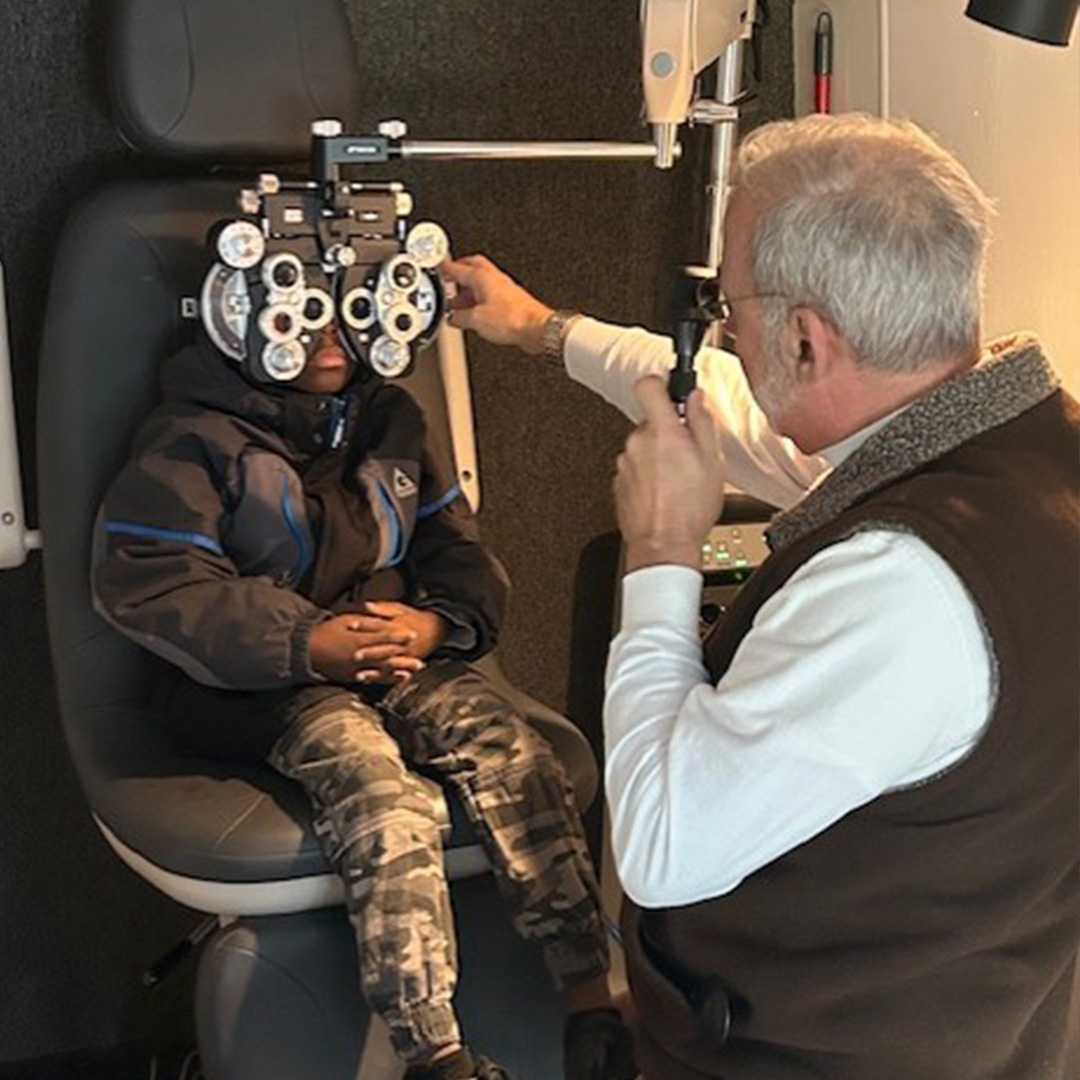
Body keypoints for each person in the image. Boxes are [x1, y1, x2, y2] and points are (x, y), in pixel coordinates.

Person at [441, 113, 1080, 1080]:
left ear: (809, 341)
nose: (723, 331)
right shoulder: (1015, 446)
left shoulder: (905, 589)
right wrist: (542, 329)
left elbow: (660, 843)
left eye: (729, 308)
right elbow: (731, 415)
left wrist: (660, 550)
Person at [92, 312, 639, 1080]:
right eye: (300, 317)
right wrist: (306, 642)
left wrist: (436, 623)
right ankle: (434, 1053)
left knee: (514, 752)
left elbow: (457, 549)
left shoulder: (393, 421)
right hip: (257, 683)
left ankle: (590, 1002)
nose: (327, 340)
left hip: (392, 657)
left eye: (347, 315)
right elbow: (156, 581)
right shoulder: (192, 438)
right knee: (378, 786)